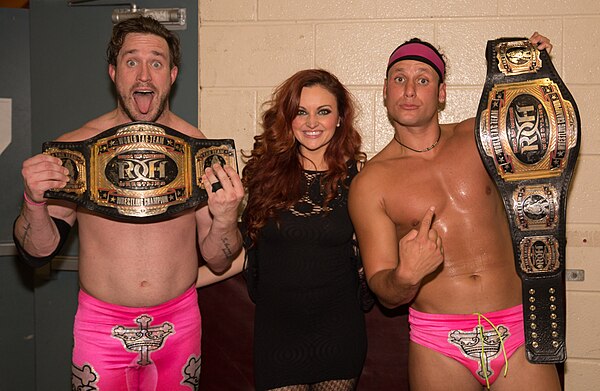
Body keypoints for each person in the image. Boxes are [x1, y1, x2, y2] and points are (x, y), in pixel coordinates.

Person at [13, 16, 244, 390]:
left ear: (171, 74)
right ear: (113, 73)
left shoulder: (196, 150)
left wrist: (226, 219)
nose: (143, 75)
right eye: (131, 61)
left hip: (179, 323)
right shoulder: (79, 149)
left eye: (156, 62)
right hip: (101, 326)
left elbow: (219, 258)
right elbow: (39, 252)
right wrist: (32, 201)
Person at [348, 32, 561, 390]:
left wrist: (535, 70)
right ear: (385, 93)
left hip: (518, 329)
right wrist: (406, 276)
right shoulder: (370, 183)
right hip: (439, 343)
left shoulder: (480, 140)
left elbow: (547, 137)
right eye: (399, 79)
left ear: (441, 93)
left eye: (423, 79)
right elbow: (382, 286)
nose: (410, 90)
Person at [197, 69, 368, 390]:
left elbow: (372, 254)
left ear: (341, 118)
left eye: (324, 111)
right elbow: (248, 253)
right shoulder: (264, 176)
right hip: (279, 334)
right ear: (288, 118)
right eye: (301, 112)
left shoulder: (358, 180)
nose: (312, 122)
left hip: (338, 332)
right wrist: (181, 284)